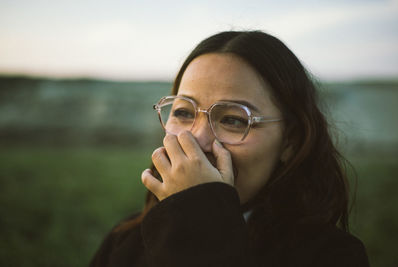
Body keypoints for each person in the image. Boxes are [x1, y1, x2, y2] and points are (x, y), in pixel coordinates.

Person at [90, 30, 370, 267]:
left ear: (290, 141)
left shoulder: (332, 256)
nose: (197, 140)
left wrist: (203, 228)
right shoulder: (124, 241)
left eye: (233, 120)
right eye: (184, 113)